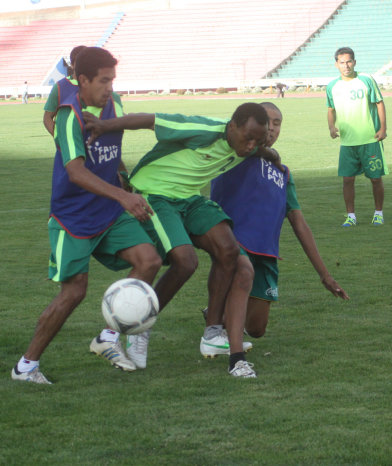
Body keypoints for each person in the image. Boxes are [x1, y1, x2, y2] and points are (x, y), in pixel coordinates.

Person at [84, 102, 279, 378]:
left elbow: (260, 149)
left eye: (257, 141)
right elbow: (150, 120)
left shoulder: (247, 144)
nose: (250, 146)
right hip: (155, 193)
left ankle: (213, 332)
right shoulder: (203, 130)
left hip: (190, 198)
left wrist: (271, 154)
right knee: (185, 262)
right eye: (247, 138)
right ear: (232, 126)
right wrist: (104, 126)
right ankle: (142, 324)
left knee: (228, 251)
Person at [11, 47, 162, 384]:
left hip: (109, 211)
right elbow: (76, 172)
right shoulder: (69, 115)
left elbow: (113, 152)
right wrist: (123, 195)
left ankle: (108, 337)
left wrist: (127, 184)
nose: (110, 87)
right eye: (104, 80)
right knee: (74, 292)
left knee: (149, 260)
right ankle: (26, 366)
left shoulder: (114, 105)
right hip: (73, 217)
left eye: (113, 80)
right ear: (83, 80)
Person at [208, 102, 349, 342]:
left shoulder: (283, 173)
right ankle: (223, 333)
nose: (272, 128)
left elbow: (299, 222)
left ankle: (218, 313)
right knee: (238, 289)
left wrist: (325, 275)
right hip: (234, 245)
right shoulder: (235, 151)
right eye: (268, 122)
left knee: (256, 329)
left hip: (267, 254)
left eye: (277, 123)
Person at [327, 47, 388, 227]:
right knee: (347, 180)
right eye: (342, 62)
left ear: (354, 62)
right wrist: (331, 126)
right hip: (347, 142)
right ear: (336, 64)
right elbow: (330, 109)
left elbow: (379, 103)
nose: (346, 65)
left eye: (349, 61)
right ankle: (351, 216)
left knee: (376, 179)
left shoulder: (366, 80)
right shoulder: (332, 86)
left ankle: (378, 213)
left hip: (370, 139)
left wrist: (383, 128)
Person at [43, 45, 87, 136]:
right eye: (80, 63)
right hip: (67, 149)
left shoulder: (97, 85)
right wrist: (60, 139)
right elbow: (47, 118)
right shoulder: (60, 87)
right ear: (72, 65)